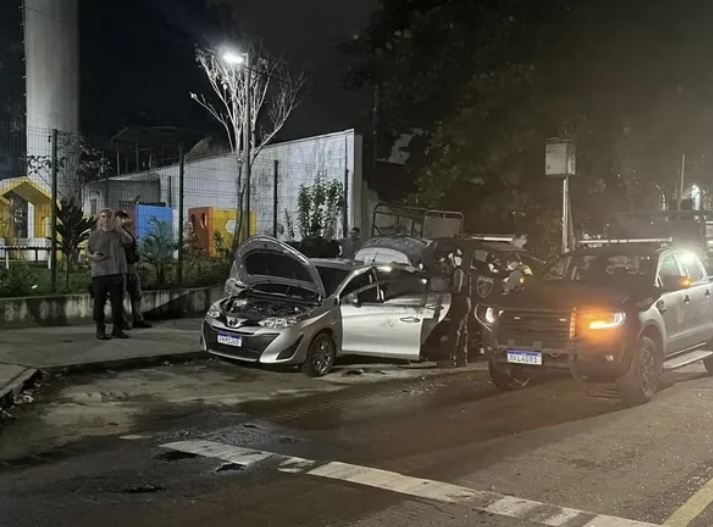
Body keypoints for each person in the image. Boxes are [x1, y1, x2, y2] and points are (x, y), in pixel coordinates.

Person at [87, 208, 133, 340]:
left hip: (117, 273)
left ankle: (117, 329)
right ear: (99, 219)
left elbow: (129, 241)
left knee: (117, 304)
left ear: (113, 219)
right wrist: (93, 256)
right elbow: (87, 251)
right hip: (100, 273)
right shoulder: (94, 235)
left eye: (109, 217)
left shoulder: (119, 234)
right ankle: (100, 328)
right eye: (103, 217)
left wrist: (119, 228)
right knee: (99, 303)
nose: (106, 219)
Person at [115, 210, 152, 330]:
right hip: (121, 268)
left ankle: (138, 319)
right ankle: (122, 321)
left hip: (131, 267)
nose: (126, 220)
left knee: (136, 295)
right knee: (120, 296)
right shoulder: (115, 233)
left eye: (125, 218)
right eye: (122, 218)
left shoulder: (126, 232)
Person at [447, 248, 471, 367]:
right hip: (465, 302)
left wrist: (445, 289)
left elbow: (457, 289)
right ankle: (462, 359)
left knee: (455, 330)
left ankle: (451, 359)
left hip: (460, 303)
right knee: (463, 331)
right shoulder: (464, 271)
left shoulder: (458, 272)